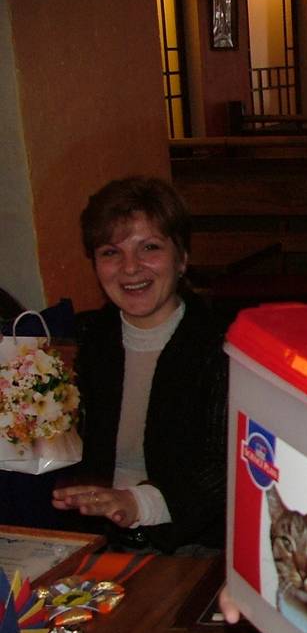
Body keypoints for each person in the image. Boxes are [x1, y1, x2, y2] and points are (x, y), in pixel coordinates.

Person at [52, 176, 228, 554]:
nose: (130, 268)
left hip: (189, 544)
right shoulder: (86, 338)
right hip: (95, 536)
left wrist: (137, 504)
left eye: (149, 247)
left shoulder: (222, 346)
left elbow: (226, 467)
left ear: (182, 259)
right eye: (110, 252)